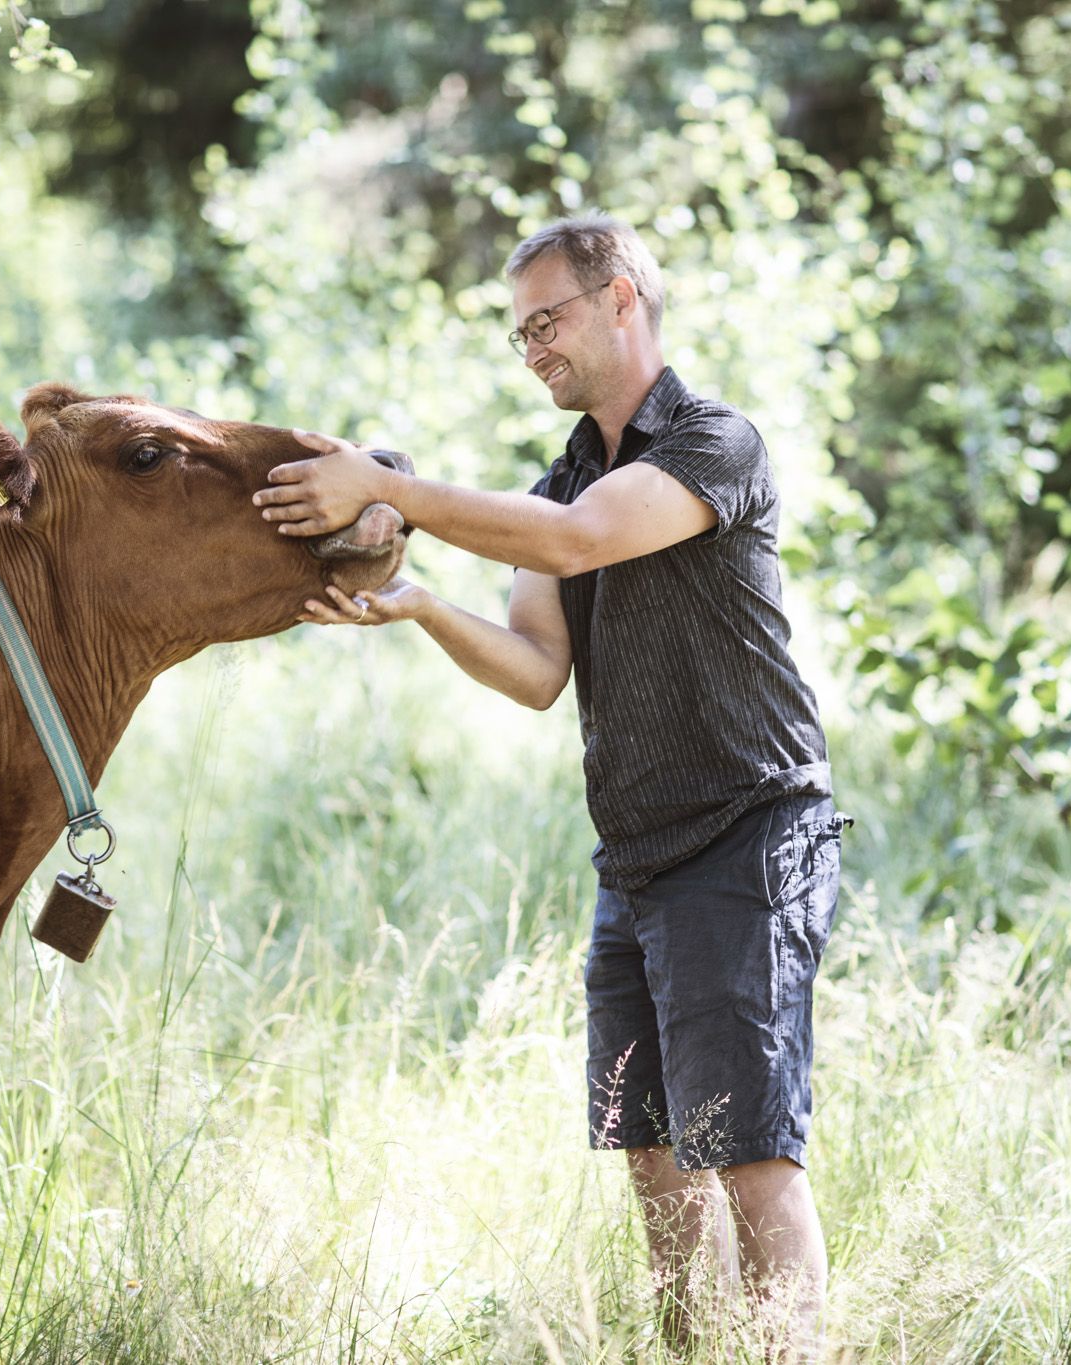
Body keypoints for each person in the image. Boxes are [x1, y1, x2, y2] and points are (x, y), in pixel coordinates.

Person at [252, 213, 845, 1353]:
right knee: (654, 1156)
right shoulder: (559, 482)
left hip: (748, 838)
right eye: (518, 333)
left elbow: (573, 542)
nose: (531, 349)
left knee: (749, 1155)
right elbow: (534, 671)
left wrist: (390, 490)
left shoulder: (713, 443)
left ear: (620, 300)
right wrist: (421, 607)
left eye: (547, 322)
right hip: (636, 862)